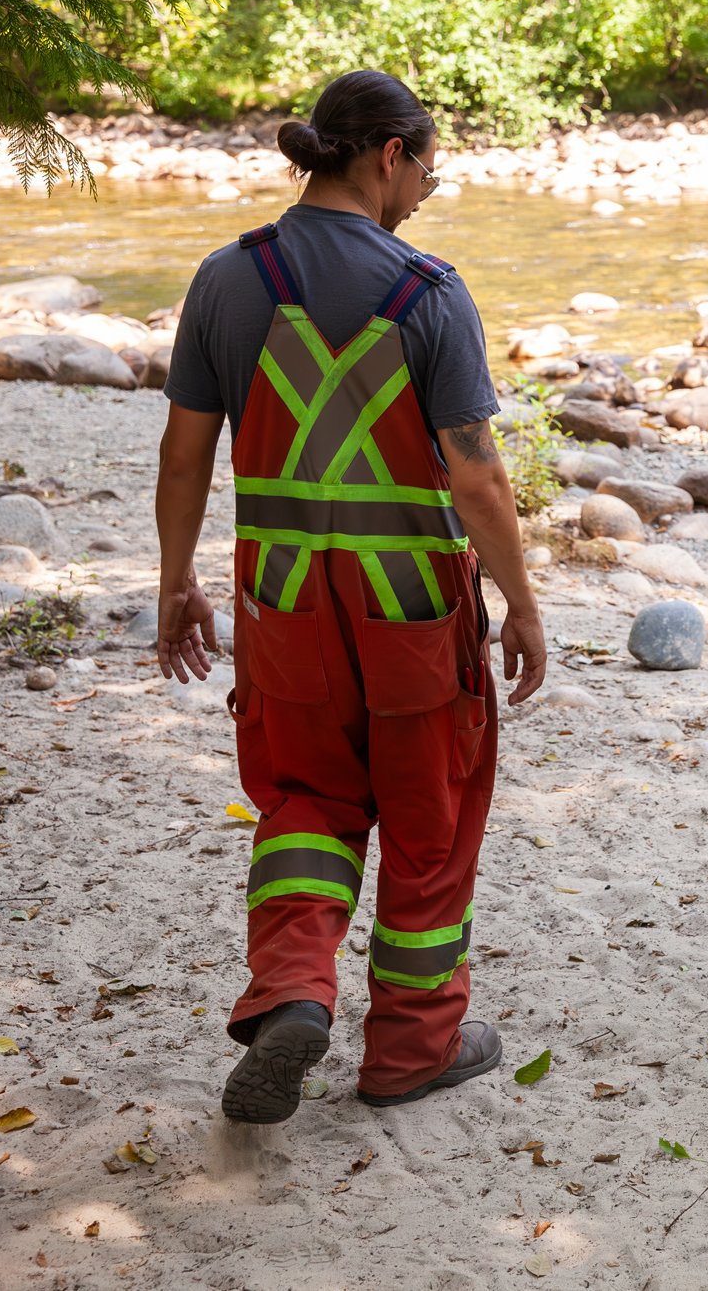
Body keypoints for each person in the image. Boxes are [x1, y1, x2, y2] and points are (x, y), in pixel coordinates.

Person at [155, 69, 547, 1120]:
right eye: (429, 167)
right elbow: (476, 477)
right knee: (429, 815)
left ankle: (291, 990)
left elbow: (184, 456)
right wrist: (524, 603)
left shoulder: (225, 280)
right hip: (412, 609)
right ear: (389, 154)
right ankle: (411, 1047)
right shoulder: (428, 292)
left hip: (282, 606)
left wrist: (176, 582)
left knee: (303, 804)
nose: (427, 190)